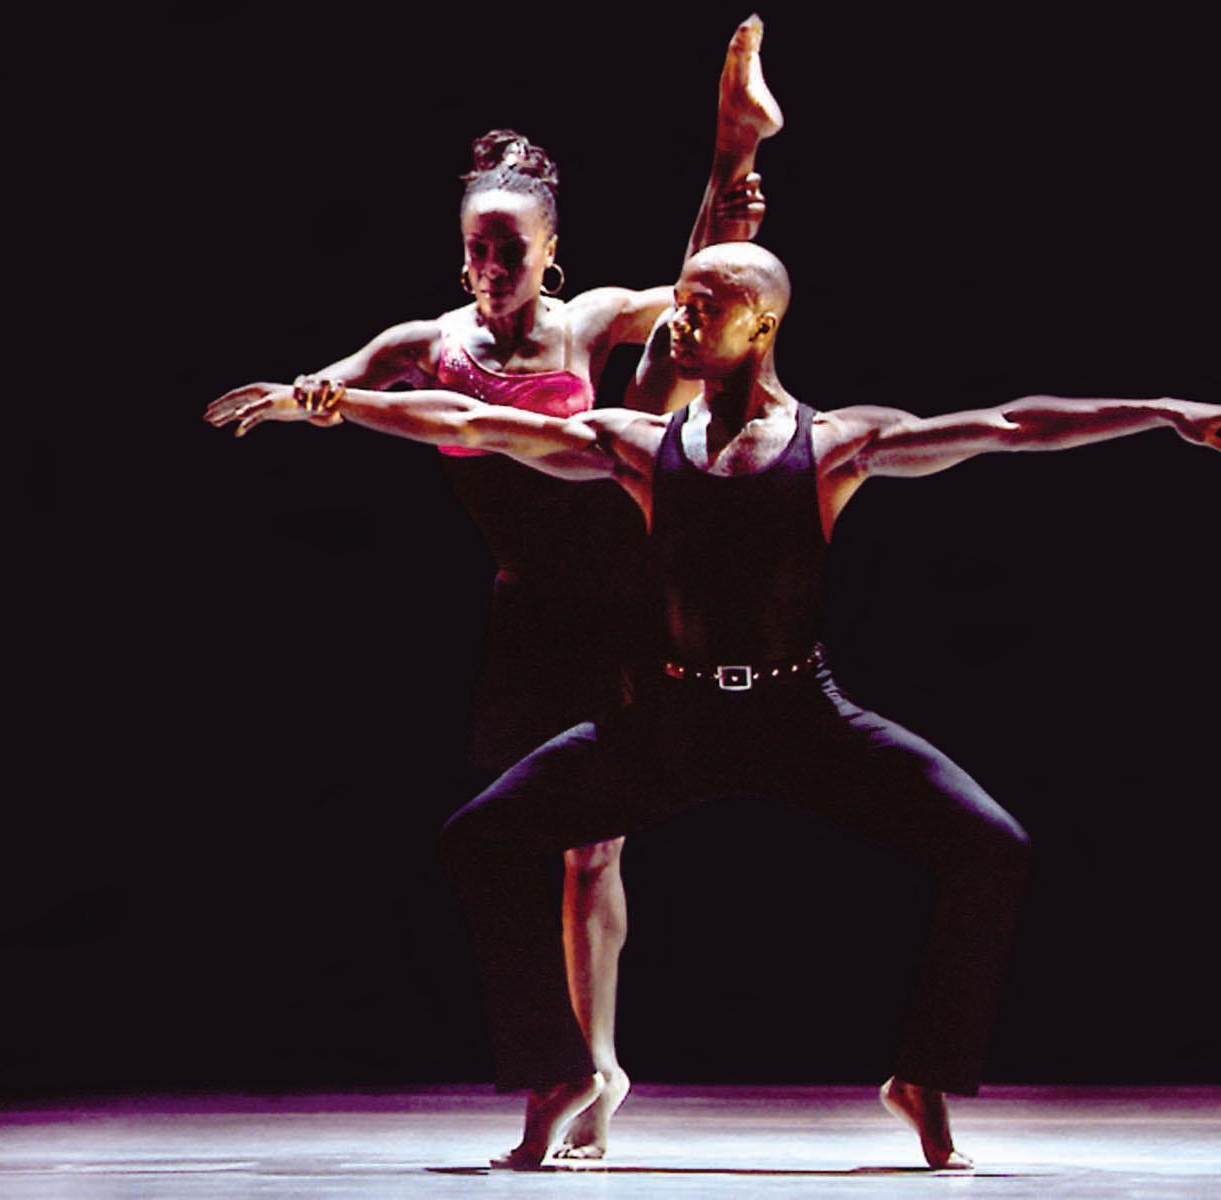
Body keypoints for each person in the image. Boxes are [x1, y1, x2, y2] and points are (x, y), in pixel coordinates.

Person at [213, 241, 1221, 1168]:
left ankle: (923, 1077)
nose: (678, 323)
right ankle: (559, 1077)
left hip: (801, 719)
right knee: (480, 841)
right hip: (672, 725)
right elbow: (472, 421)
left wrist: (1159, 412)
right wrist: (335, 402)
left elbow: (1006, 425)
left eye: (704, 307)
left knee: (991, 846)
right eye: (678, 302)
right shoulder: (639, 447)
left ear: (761, 322)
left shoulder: (836, 445)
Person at [205, 17, 784, 1159]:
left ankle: (735, 151)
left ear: (551, 244)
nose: (490, 269)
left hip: (625, 598)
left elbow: (685, 295)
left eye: (510, 250)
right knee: (526, 849)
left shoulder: (590, 323)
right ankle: (573, 1071)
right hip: (527, 618)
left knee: (596, 849)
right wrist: (294, 394)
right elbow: (336, 383)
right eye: (475, 248)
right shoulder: (431, 342)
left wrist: (720, 235)